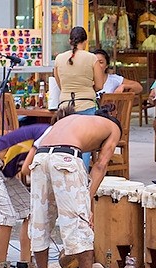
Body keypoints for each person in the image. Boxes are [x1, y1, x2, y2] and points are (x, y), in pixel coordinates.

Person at [28, 104, 122, 268]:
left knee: (40, 223)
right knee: (80, 225)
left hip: (40, 157)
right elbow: (101, 165)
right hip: (65, 157)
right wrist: (86, 201)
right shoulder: (113, 127)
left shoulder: (74, 121)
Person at [0, 123, 59, 268]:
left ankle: (24, 266)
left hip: (4, 171)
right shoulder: (48, 133)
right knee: (6, 217)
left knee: (30, 211)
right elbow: (26, 169)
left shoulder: (57, 136)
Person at [54, 26, 106, 169]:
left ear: (70, 40)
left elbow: (60, 83)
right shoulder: (91, 58)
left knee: (65, 142)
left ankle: (65, 173)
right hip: (86, 105)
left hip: (65, 106)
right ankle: (82, 177)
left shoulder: (59, 58)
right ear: (86, 40)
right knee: (85, 144)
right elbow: (100, 85)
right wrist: (88, 89)